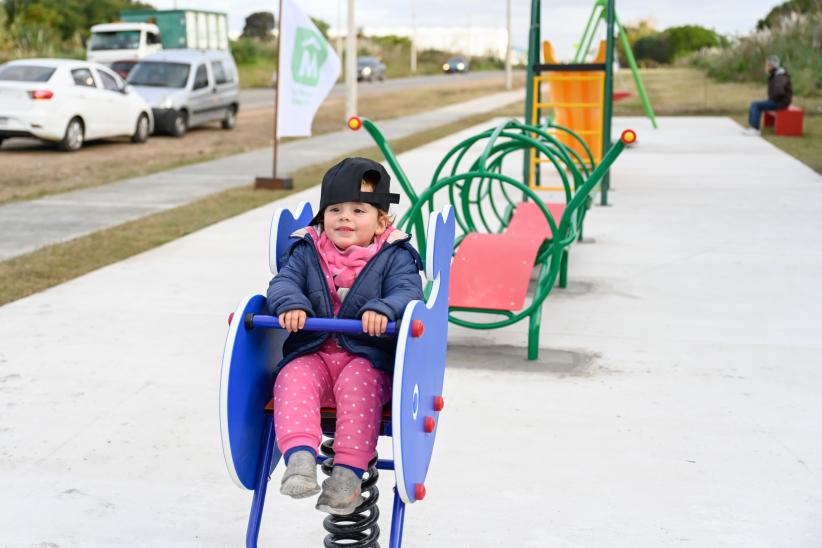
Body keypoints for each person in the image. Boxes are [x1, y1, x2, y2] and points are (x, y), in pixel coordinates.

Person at [265, 157, 424, 515]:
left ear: (382, 220)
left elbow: (409, 292)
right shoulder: (306, 250)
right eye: (334, 209)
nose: (344, 217)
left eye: (358, 210)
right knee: (292, 377)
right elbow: (283, 283)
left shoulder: (395, 255)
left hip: (367, 356)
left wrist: (384, 309)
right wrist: (292, 304)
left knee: (358, 385)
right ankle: (300, 459)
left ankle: (347, 476)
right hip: (314, 351)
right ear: (323, 217)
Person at [745, 54, 793, 135]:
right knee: (755, 104)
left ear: (771, 66)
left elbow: (779, 92)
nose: (766, 67)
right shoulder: (776, 74)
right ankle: (752, 127)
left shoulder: (780, 76)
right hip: (778, 100)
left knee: (756, 105)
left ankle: (755, 129)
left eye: (767, 65)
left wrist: (771, 99)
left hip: (781, 103)